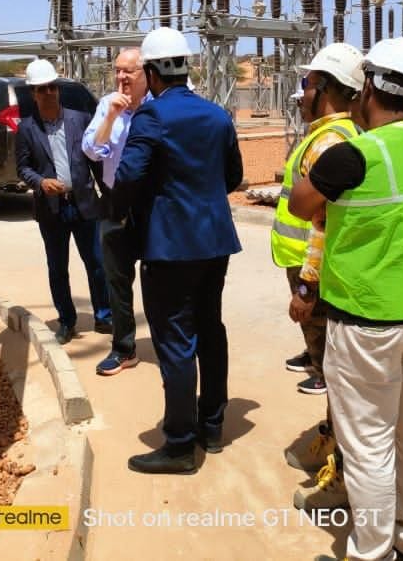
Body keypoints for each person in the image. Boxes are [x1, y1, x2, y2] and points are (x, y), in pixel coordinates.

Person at [290, 37, 403, 561]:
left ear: (370, 88)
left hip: (369, 324)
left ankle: (372, 552)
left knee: (368, 446)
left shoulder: (353, 156)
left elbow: (300, 204)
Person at [113, 27, 243, 475]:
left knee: (175, 342)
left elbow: (127, 177)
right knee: (210, 329)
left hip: (169, 248)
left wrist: (122, 206)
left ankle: (180, 445)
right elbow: (232, 177)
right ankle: (213, 425)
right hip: (214, 243)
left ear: (151, 72)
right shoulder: (217, 115)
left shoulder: (151, 116)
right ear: (185, 67)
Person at [274, 42, 364, 397]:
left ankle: (333, 421)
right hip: (307, 260)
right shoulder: (337, 133)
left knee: (327, 347)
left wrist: (306, 287)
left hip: (312, 265)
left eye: (307, 84)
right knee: (324, 341)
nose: (303, 94)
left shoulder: (328, 142)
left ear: (323, 89)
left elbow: (322, 223)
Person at [14, 59, 111, 345]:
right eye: (42, 89)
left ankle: (104, 316)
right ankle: (66, 321)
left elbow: (95, 159)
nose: (49, 93)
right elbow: (23, 167)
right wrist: (40, 183)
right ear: (33, 93)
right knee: (58, 268)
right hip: (51, 209)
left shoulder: (80, 119)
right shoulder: (27, 129)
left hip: (84, 204)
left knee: (96, 263)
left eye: (52, 87)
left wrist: (109, 197)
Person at [81, 47, 150, 377]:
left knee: (158, 278)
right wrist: (110, 116)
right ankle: (124, 349)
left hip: (150, 206)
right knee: (117, 279)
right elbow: (92, 150)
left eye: (129, 71)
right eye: (117, 70)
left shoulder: (158, 107)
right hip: (114, 203)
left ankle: (170, 344)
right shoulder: (108, 104)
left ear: (146, 74)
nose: (121, 76)